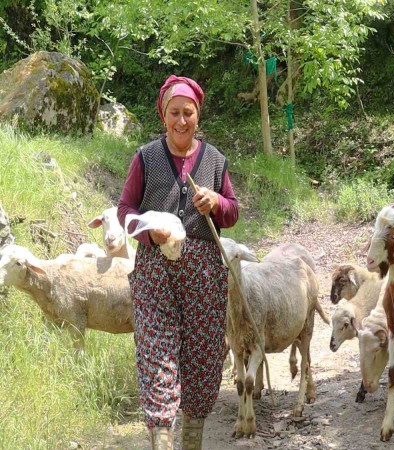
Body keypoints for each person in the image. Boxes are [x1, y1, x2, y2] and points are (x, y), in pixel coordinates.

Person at [117, 75, 238, 450]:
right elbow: (125, 210)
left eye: (188, 113)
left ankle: (192, 441)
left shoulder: (214, 160)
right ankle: (162, 441)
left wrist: (216, 203)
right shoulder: (146, 158)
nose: (181, 121)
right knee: (157, 356)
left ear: (197, 117)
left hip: (203, 276)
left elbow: (233, 212)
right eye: (174, 113)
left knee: (202, 359)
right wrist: (147, 231)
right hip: (155, 272)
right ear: (163, 115)